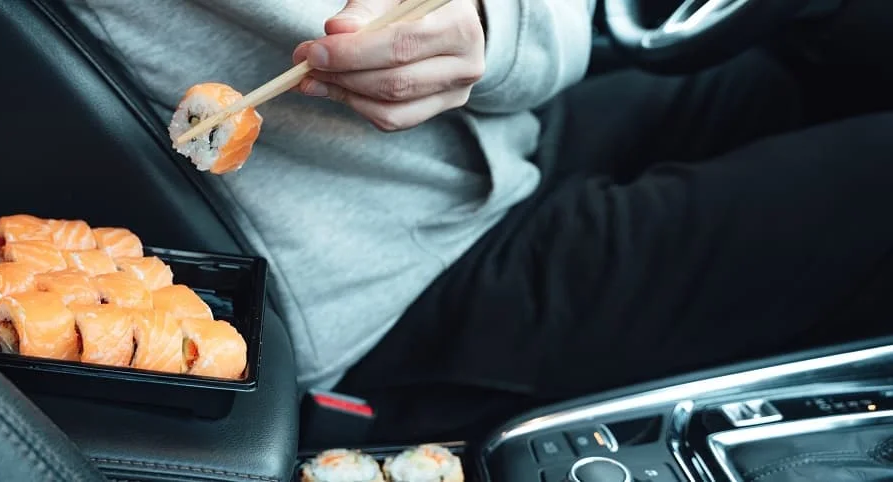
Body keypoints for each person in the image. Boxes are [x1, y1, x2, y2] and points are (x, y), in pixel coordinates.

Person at [66, 0, 893, 441]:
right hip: (401, 283)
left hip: (499, 142)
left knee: (826, 41)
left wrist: (494, 27)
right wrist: (497, 35)